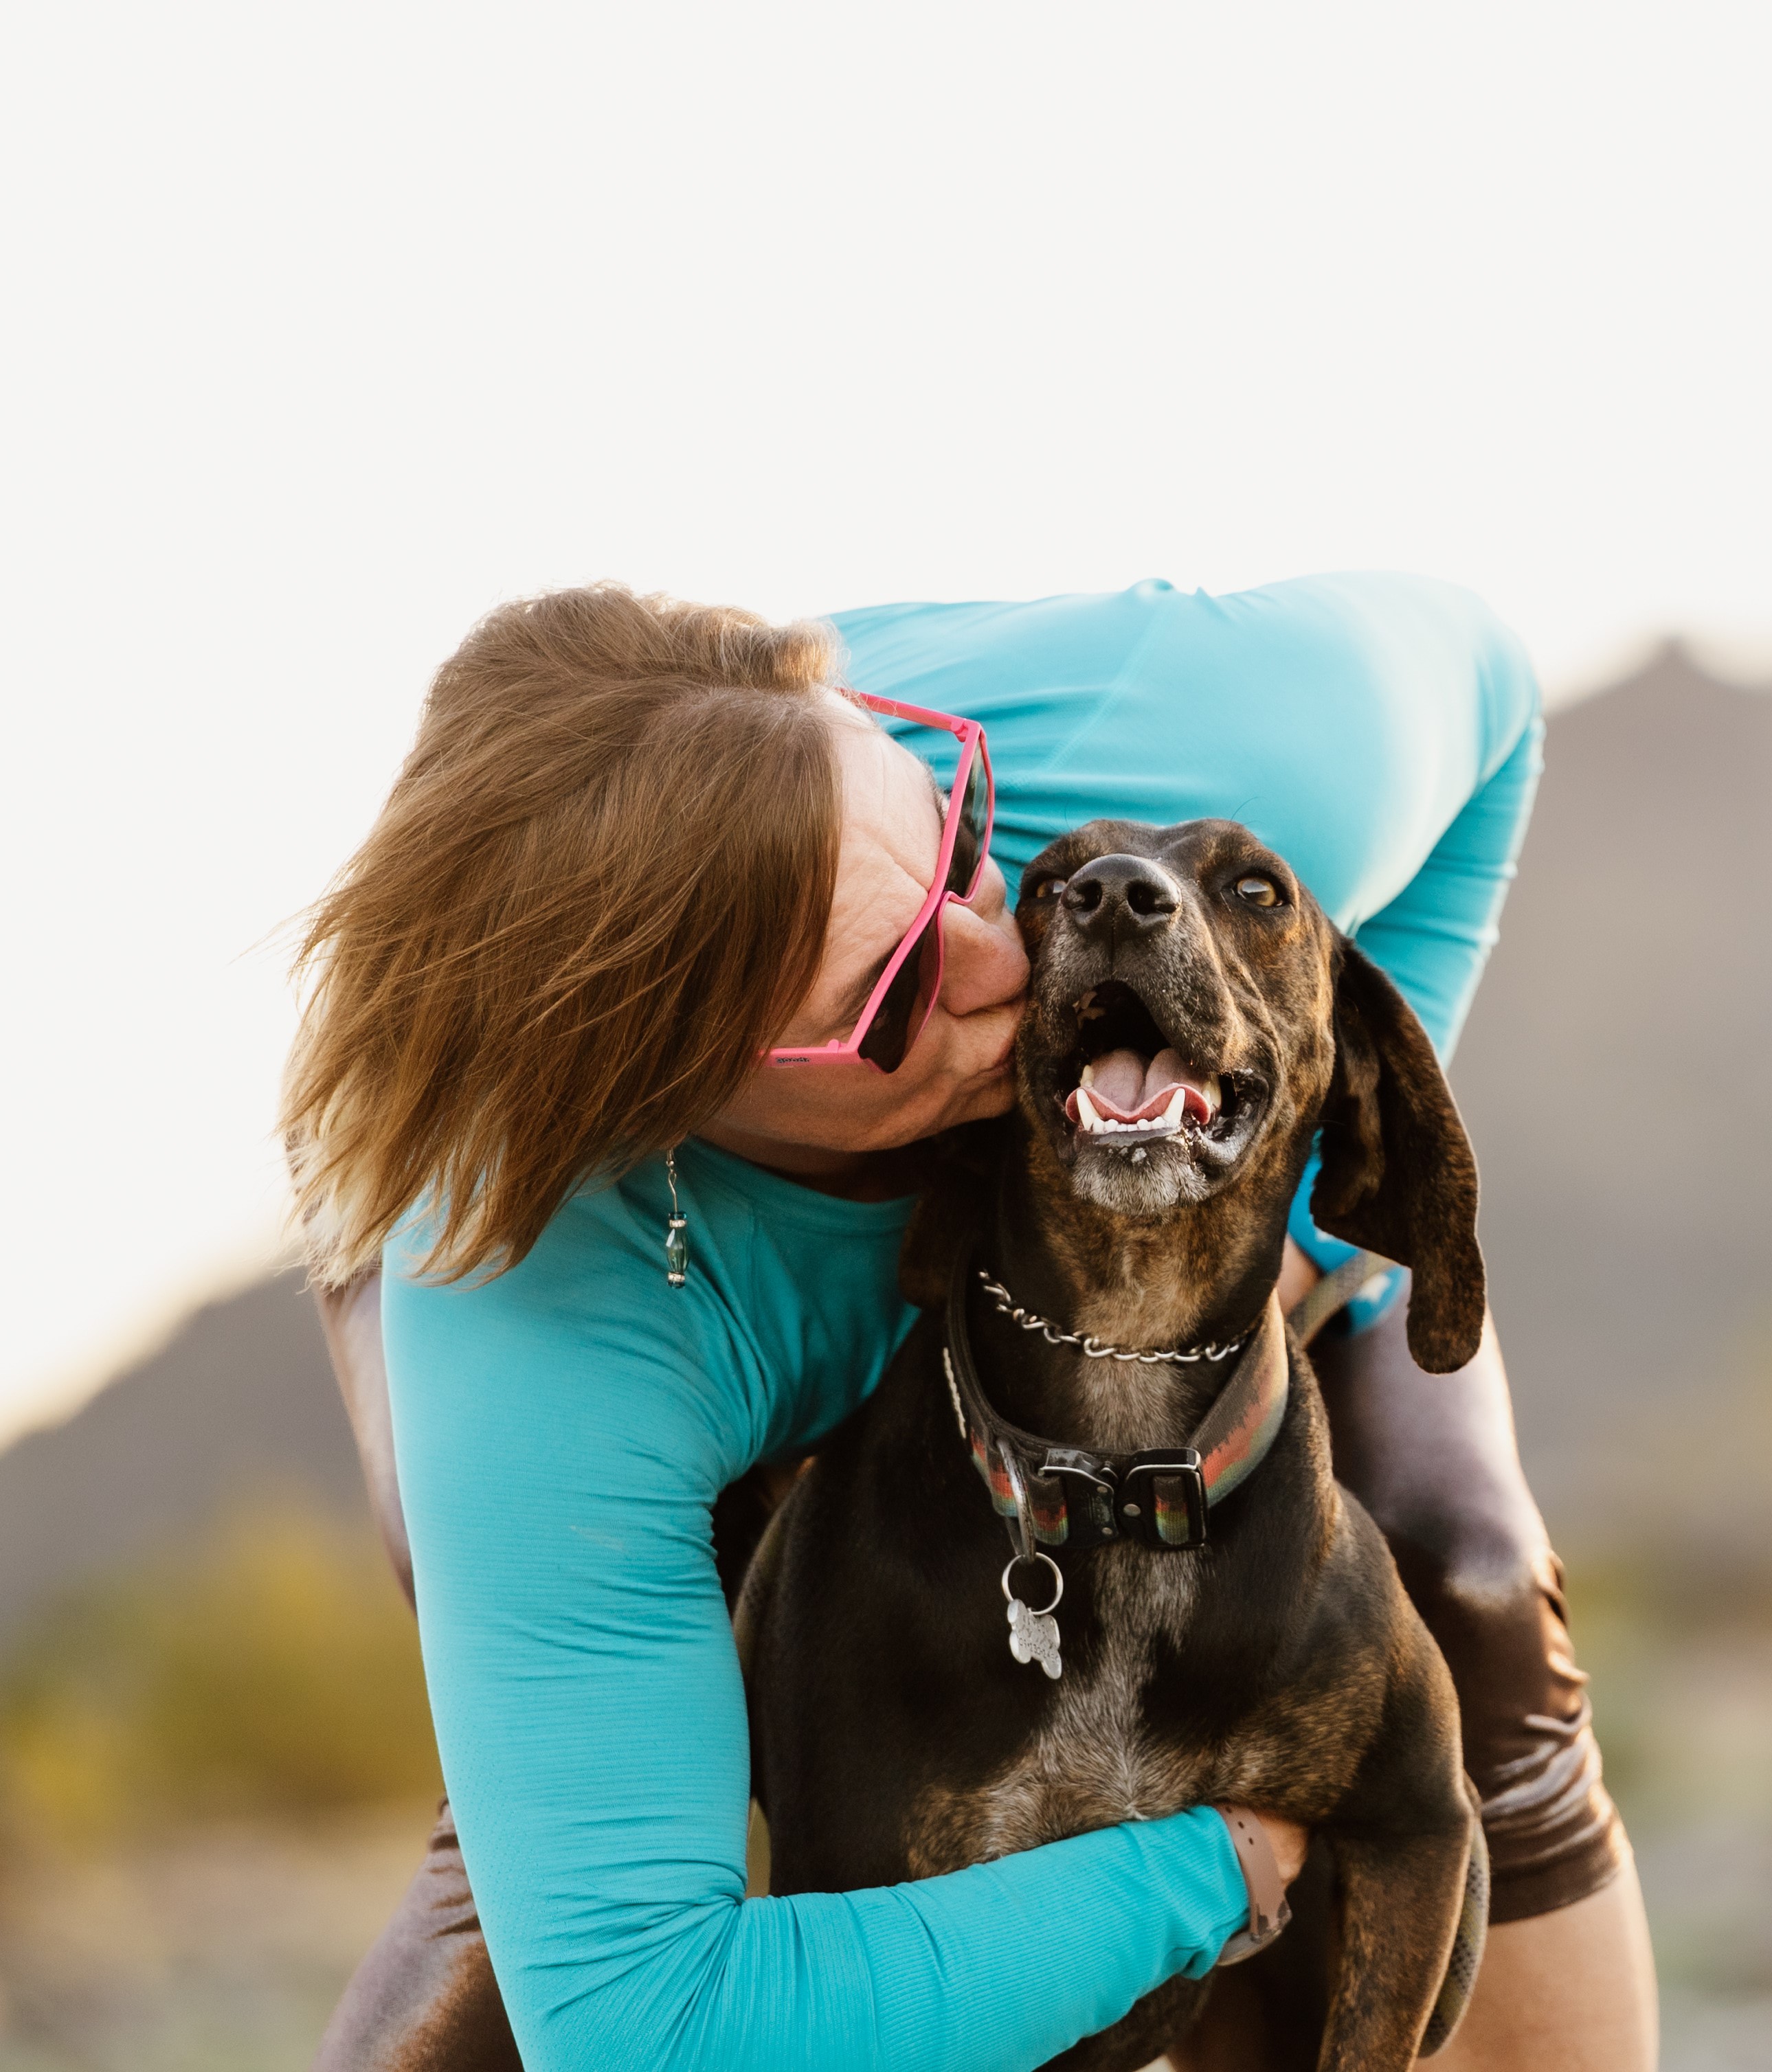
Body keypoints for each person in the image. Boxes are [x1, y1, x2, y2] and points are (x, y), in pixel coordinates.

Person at [283, 576, 1653, 2072]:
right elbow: (636, 2028)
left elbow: (1497, 709)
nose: (1008, 968)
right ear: (672, 1093)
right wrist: (1196, 1873)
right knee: (553, 1828)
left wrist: (1306, 1216)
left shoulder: (1218, 753)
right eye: (894, 992)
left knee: (1465, 1572)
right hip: (617, 1268)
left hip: (1186, 1166)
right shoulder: (546, 1306)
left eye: (958, 849)